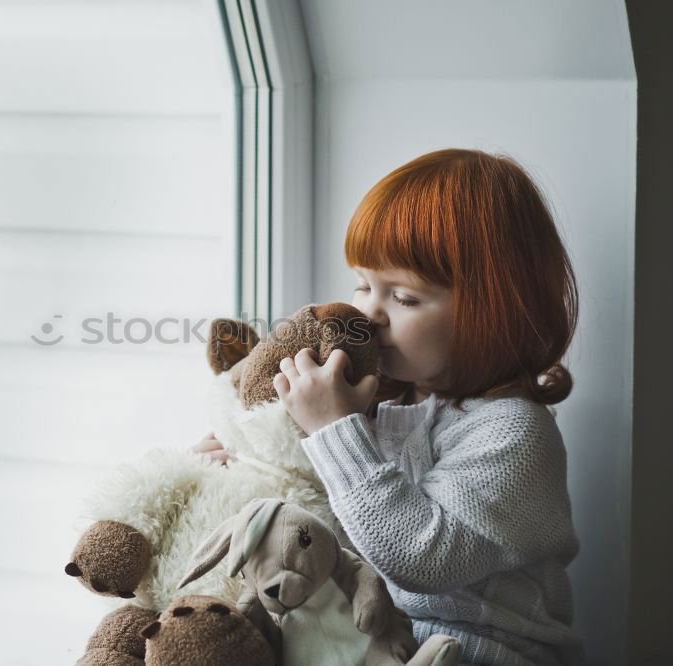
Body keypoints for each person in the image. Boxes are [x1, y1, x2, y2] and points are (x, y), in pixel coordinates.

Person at [192, 148, 585, 665]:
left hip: (481, 651)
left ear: (493, 314)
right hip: (377, 638)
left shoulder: (514, 433)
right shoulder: (387, 403)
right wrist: (244, 465)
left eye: (403, 297)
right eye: (363, 283)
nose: (368, 312)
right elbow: (336, 516)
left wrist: (333, 430)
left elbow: (420, 556)